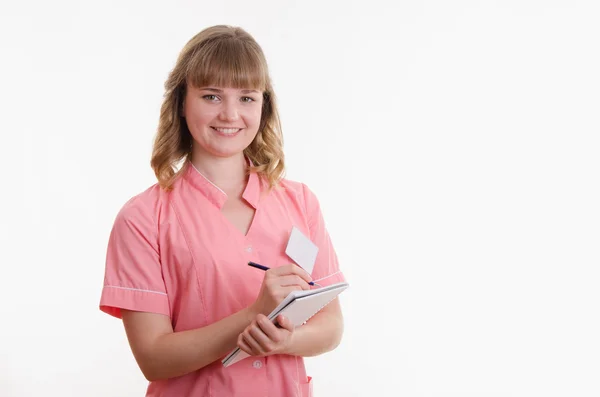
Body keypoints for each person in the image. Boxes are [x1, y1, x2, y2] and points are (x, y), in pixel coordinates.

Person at [99, 25, 346, 397]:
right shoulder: (143, 218)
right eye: (212, 96)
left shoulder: (300, 203)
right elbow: (152, 357)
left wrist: (280, 340)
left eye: (247, 98)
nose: (230, 114)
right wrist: (251, 319)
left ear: (264, 106)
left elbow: (332, 326)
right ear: (183, 102)